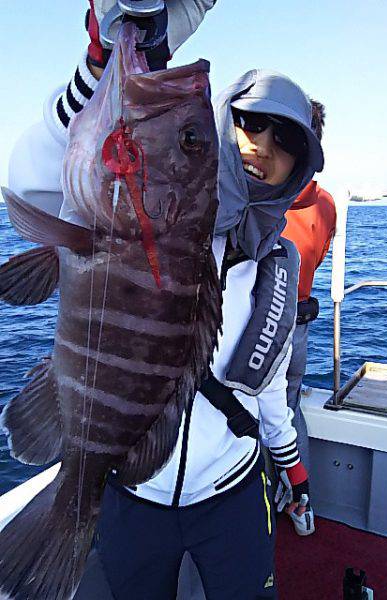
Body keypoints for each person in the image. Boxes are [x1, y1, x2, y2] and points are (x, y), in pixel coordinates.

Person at [7, 4, 324, 598]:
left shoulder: (276, 263)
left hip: (231, 491)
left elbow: (272, 387)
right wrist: (98, 66)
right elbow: (28, 183)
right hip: (134, 496)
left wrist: (293, 467)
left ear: (301, 165)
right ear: (224, 124)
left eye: (286, 139)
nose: (263, 144)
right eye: (251, 123)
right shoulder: (156, 213)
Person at [280, 100, 336, 536]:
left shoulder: (263, 200)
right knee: (290, 406)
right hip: (300, 325)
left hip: (266, 325)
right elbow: (321, 252)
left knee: (254, 408)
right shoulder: (327, 205)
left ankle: (264, 498)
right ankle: (301, 500)